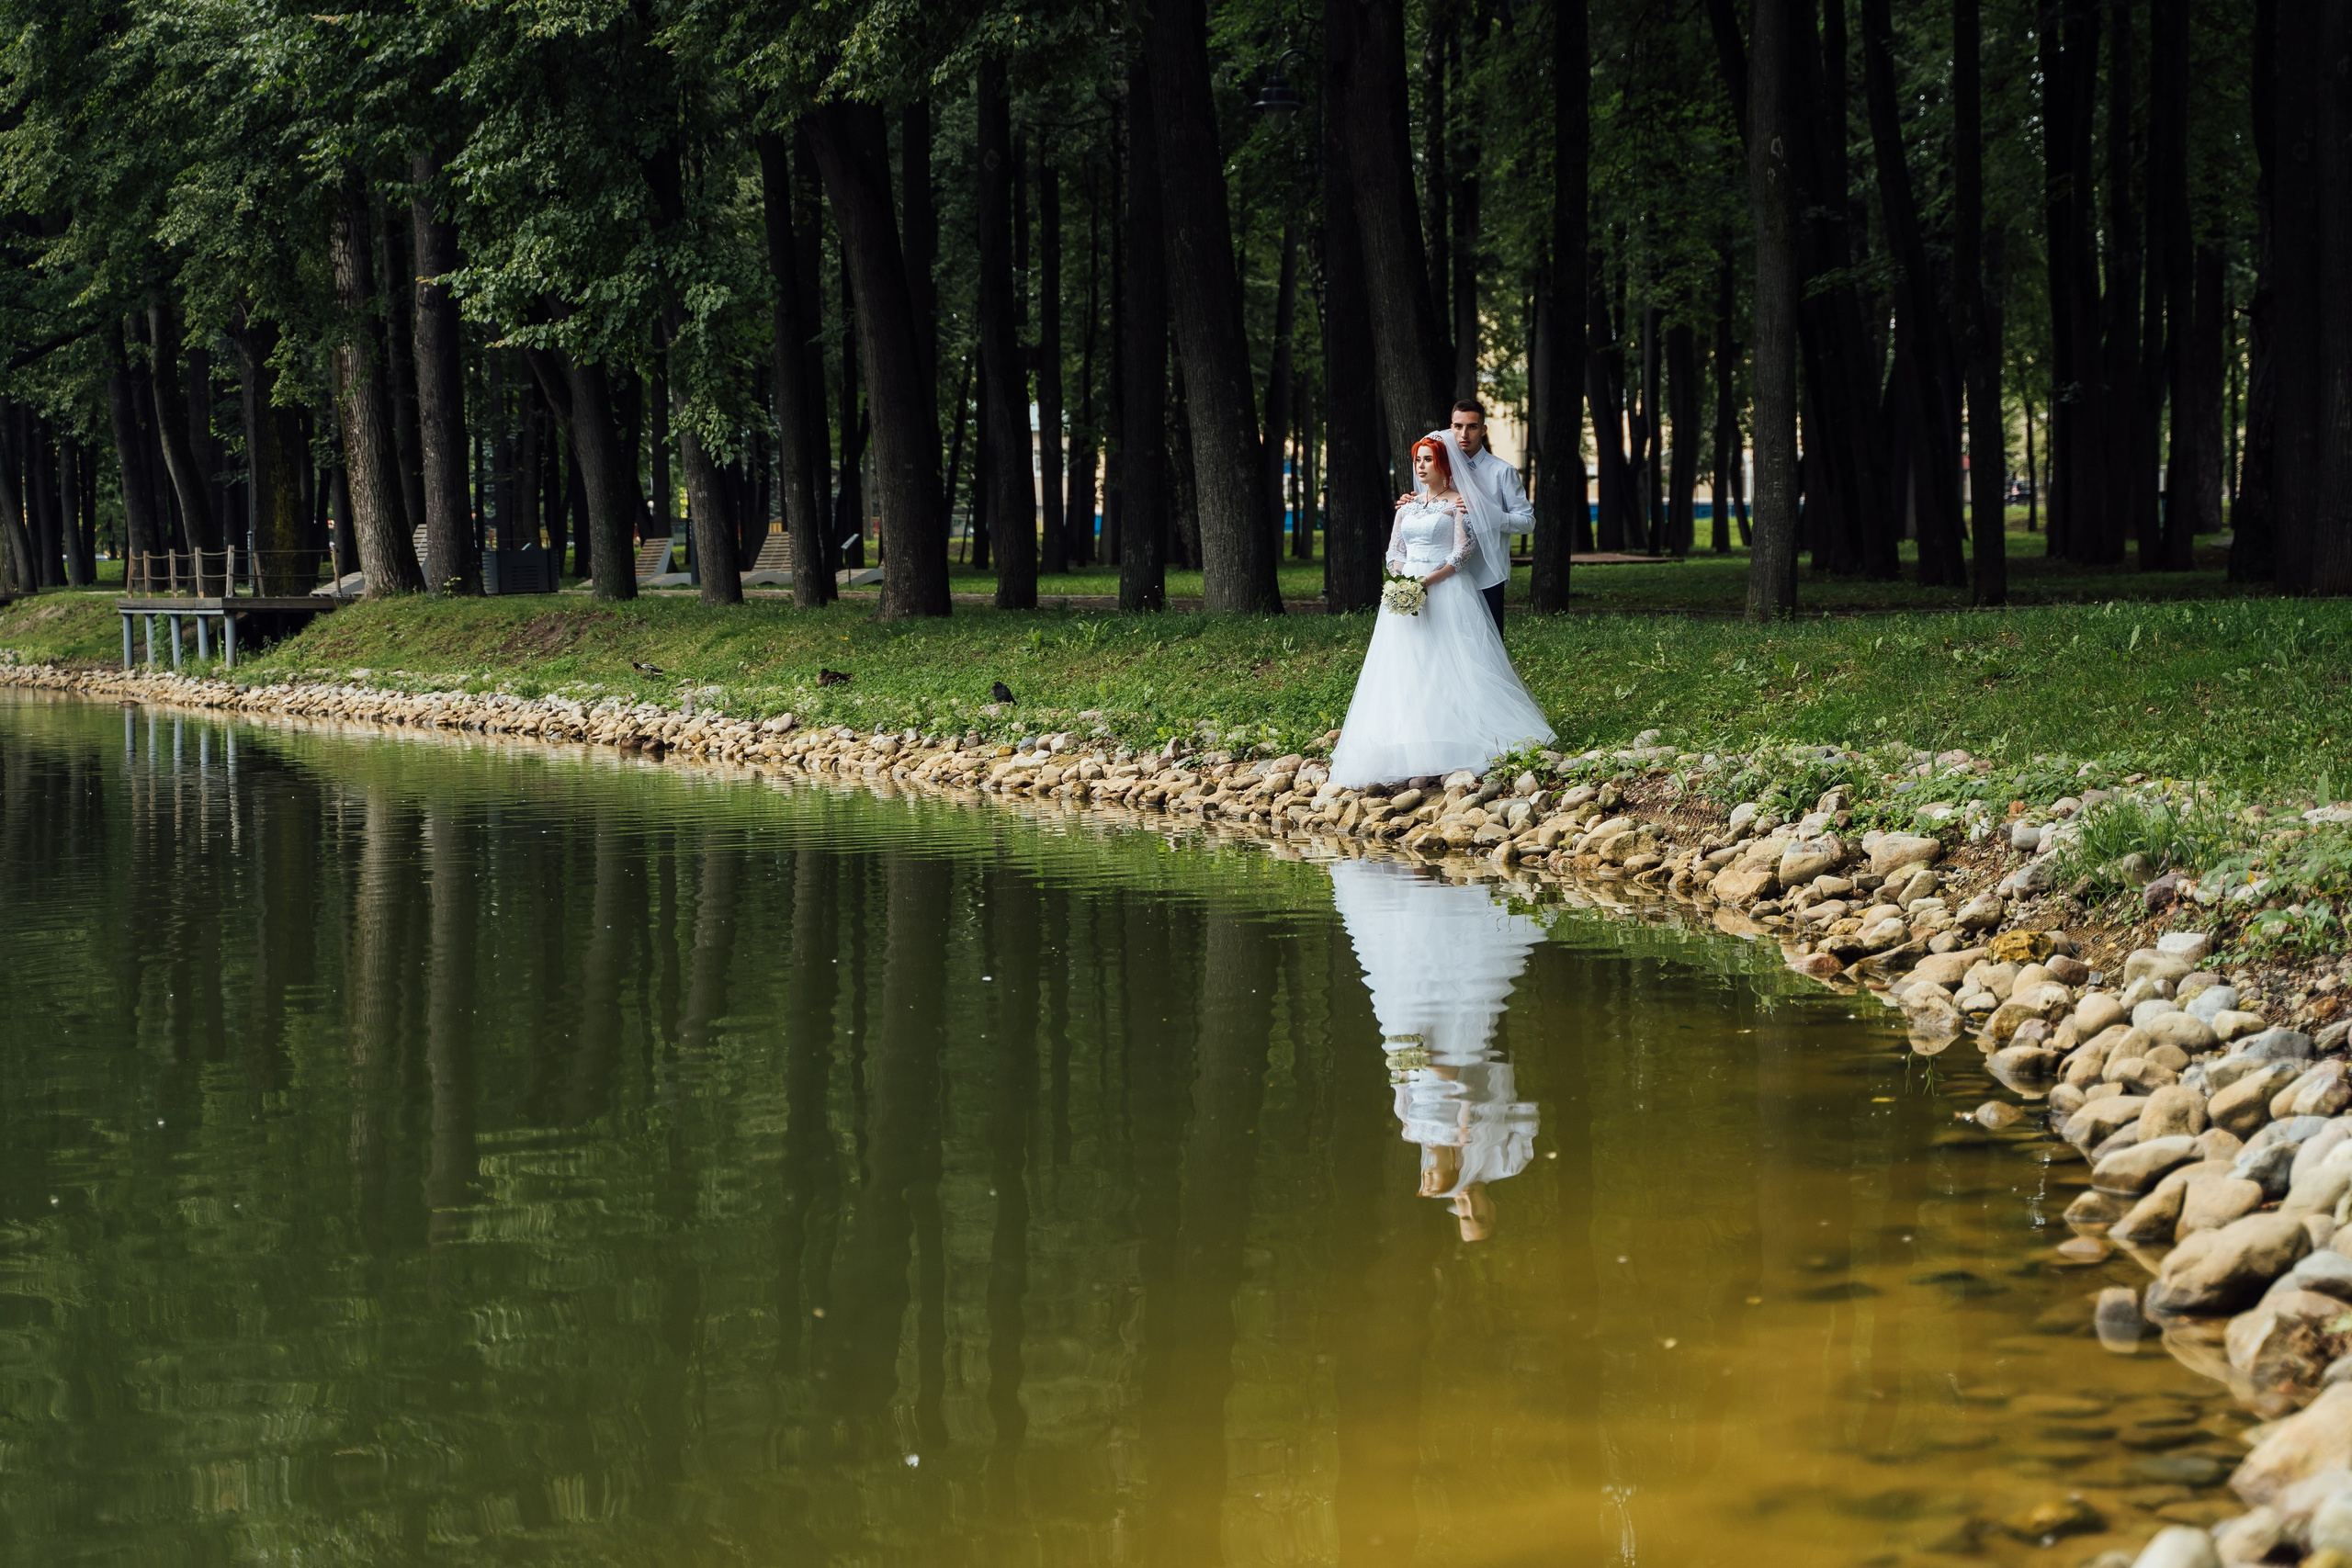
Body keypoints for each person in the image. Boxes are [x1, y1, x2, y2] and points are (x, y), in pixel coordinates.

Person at [1329, 858, 1544, 1243]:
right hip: (1469, 1059)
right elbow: (1528, 1117)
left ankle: (1423, 889)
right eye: (1478, 1217)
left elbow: (1402, 1086)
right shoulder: (1508, 1164)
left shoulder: (1419, 1136)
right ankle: (1461, 889)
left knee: (1412, 990)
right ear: (1491, 1211)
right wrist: (1481, 1114)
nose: (1470, 1208)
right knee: (1465, 992)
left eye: (1465, 1217)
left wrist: (1407, 1061)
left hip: (1424, 1056)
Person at [1329, 432, 1555, 789]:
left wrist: (1427, 581)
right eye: (1417, 460)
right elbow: (1394, 552)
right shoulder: (1407, 506)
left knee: (1450, 663)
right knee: (1409, 666)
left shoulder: (1458, 505)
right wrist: (1403, 581)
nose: (1420, 466)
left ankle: (1455, 743)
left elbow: (1462, 553)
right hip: (1407, 593)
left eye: (1428, 460)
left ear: (1443, 464)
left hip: (1446, 590)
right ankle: (1413, 745)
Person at [1394, 400, 1532, 631]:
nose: (1463, 434)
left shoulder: (1502, 471)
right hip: (1444, 575)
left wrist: (1491, 515)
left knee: (1487, 646)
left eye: (1472, 427)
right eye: (1458, 426)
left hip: (1485, 572)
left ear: (1484, 430)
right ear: (1451, 426)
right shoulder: (1440, 465)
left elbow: (1527, 522)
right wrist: (1412, 502)